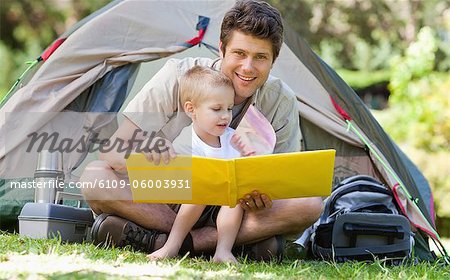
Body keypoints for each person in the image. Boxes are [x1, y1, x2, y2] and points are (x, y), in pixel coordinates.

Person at [80, 0, 323, 261]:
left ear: (273, 60)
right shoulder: (177, 76)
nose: (248, 67)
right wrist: (144, 153)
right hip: (168, 197)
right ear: (221, 49)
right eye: (239, 53)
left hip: (234, 207)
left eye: (260, 57)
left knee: (310, 204)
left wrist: (264, 195)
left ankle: (162, 242)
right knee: (95, 177)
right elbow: (111, 154)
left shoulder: (280, 101)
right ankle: (214, 244)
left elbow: (285, 183)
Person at [149, 65, 249, 263]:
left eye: (229, 109)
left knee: (235, 198)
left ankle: (223, 251)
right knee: (200, 190)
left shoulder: (233, 138)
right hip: (188, 203)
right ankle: (172, 245)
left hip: (218, 205)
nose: (225, 116)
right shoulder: (186, 141)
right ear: (191, 109)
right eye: (216, 109)